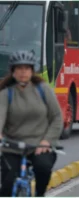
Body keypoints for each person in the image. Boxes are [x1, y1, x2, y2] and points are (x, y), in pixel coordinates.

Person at [0, 51, 63, 196]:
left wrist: (47, 141)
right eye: (19, 68)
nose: (23, 72)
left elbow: (56, 117)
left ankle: (40, 194)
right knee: (7, 185)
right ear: (13, 72)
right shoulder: (6, 94)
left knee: (43, 168)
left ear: (32, 71)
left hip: (39, 145)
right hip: (12, 146)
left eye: (27, 68)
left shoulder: (43, 89)